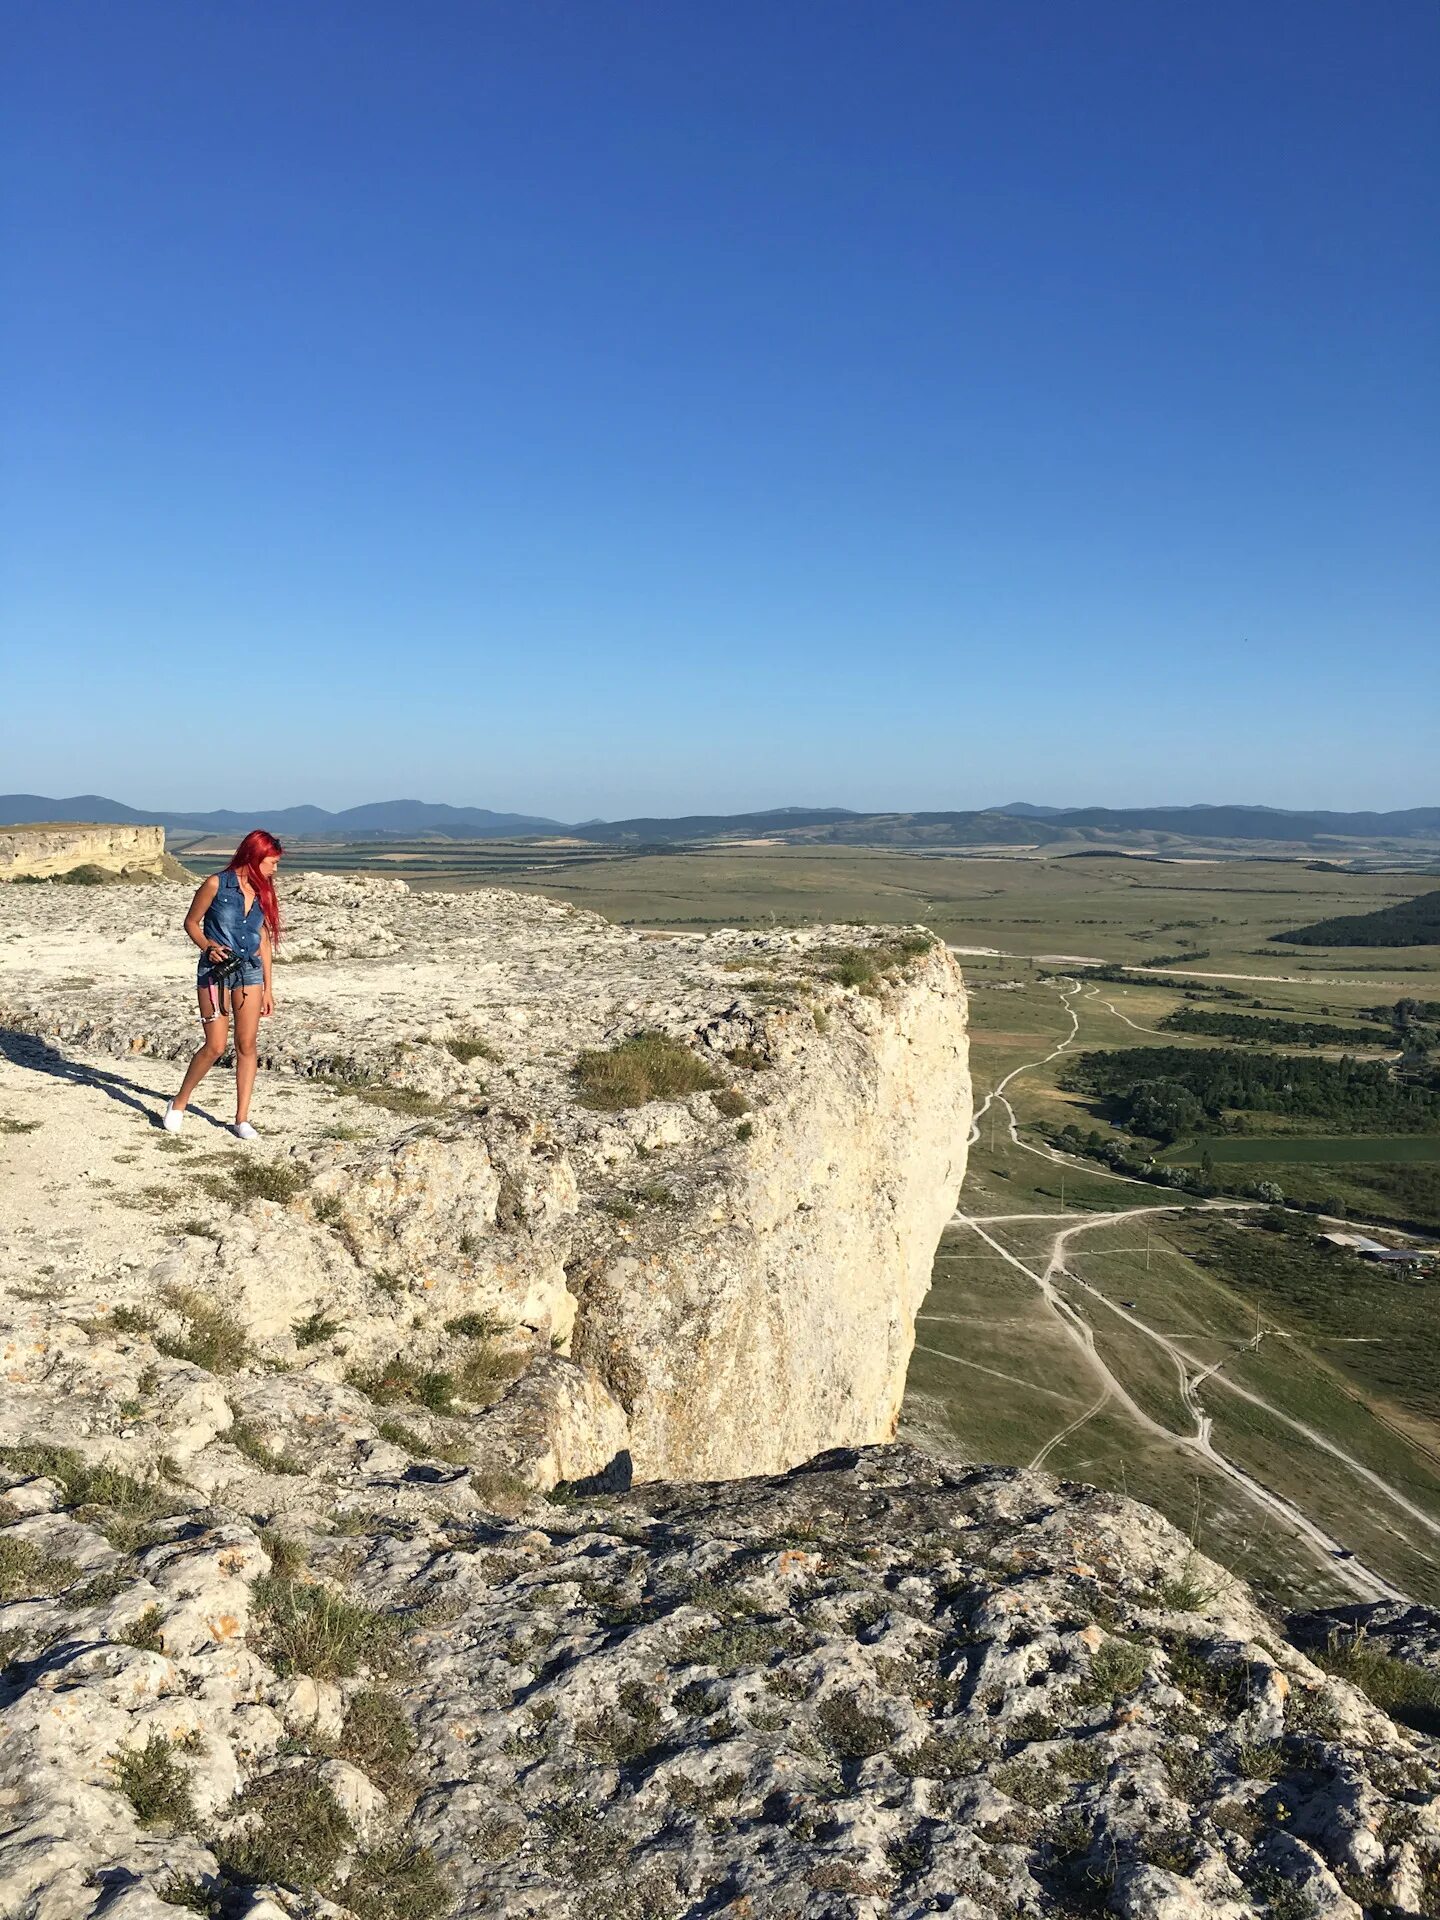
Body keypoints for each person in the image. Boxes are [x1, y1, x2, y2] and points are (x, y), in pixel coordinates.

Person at [162, 830, 283, 1139]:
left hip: (250, 974)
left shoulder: (263, 891)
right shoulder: (215, 884)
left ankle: (241, 1118)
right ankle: (179, 1102)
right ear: (255, 858)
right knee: (215, 1045)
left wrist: (268, 987)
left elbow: (264, 940)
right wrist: (207, 946)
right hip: (214, 973)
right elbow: (191, 922)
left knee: (247, 1045)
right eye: (271, 862)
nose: (275, 869)